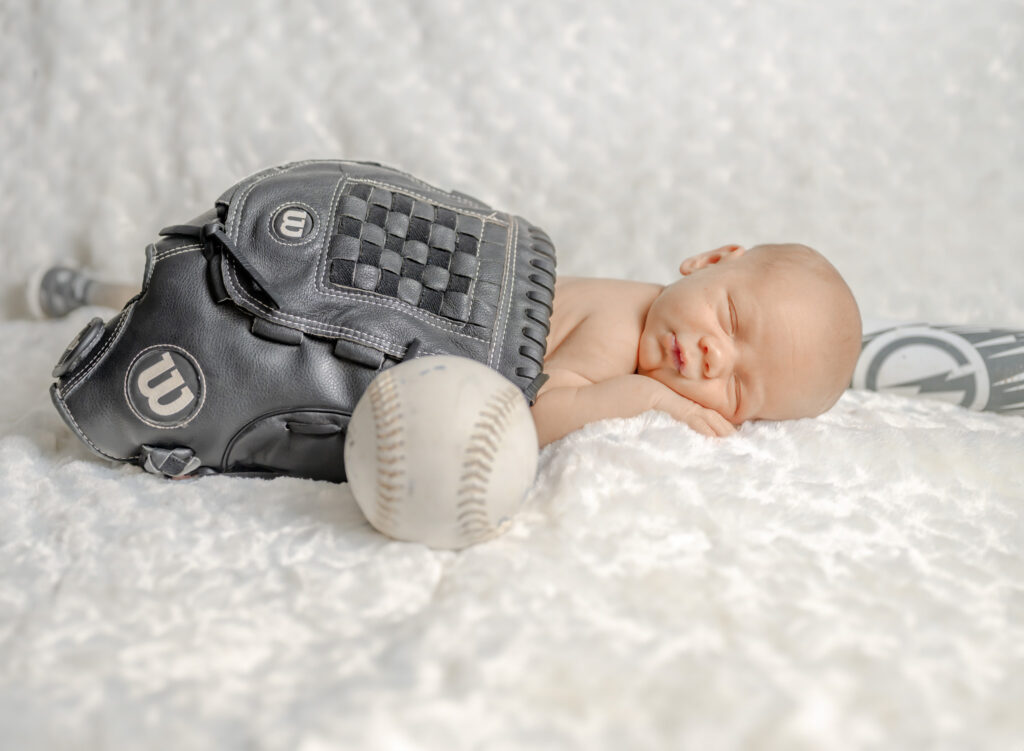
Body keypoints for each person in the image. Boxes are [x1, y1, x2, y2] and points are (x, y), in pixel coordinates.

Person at [30, 241, 863, 448]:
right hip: (389, 305)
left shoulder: (645, 318)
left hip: (393, 316)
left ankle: (92, 290)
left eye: (740, 391)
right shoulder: (621, 329)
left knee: (219, 301)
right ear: (708, 260)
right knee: (234, 303)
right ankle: (91, 294)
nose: (714, 359)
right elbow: (535, 412)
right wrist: (643, 398)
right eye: (733, 320)